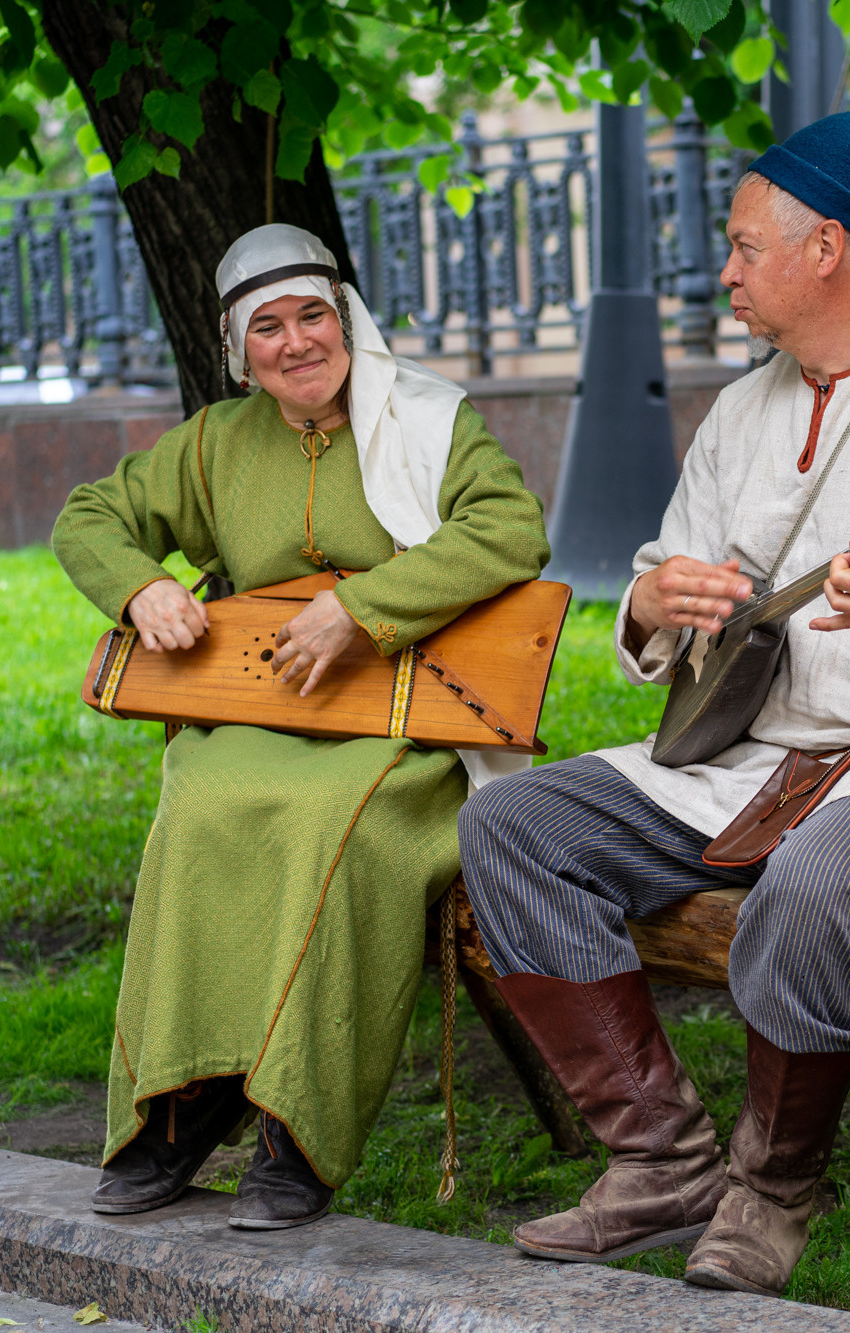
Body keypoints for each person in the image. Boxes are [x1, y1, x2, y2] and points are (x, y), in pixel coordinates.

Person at [458, 110, 850, 1297]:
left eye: (745, 245)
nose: (726, 271)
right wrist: (653, 599)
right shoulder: (746, 408)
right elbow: (669, 582)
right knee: (510, 825)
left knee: (807, 887)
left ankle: (773, 1184)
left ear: (824, 248)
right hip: (750, 756)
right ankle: (656, 1160)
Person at [53, 224, 549, 1229]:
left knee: (332, 823)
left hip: (406, 718)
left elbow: (510, 530)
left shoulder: (428, 419)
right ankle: (185, 1105)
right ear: (241, 348)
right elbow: (86, 518)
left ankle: (296, 1131)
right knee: (200, 808)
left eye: (312, 314)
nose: (296, 342)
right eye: (268, 327)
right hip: (260, 706)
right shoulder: (213, 444)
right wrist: (141, 587)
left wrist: (364, 610)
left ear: (345, 318)